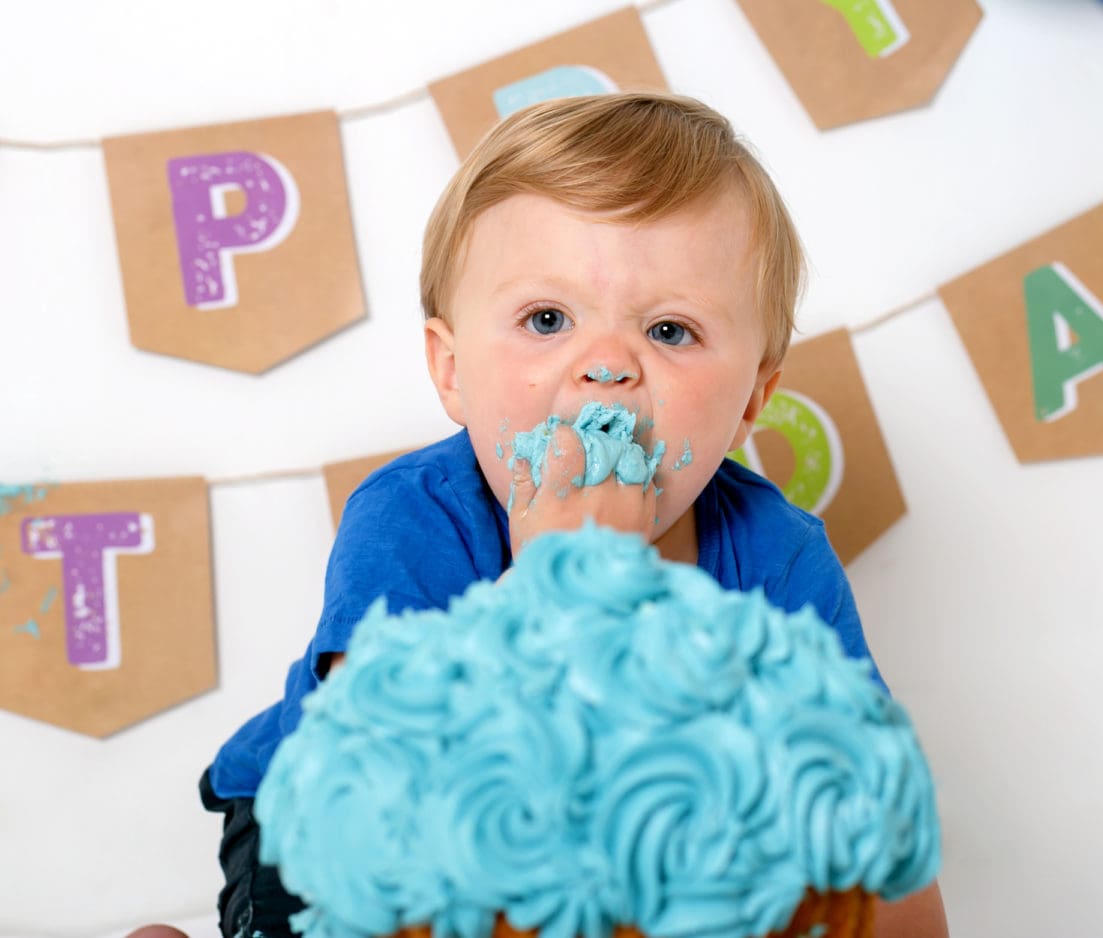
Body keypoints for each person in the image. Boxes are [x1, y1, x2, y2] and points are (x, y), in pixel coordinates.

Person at [199, 91, 948, 938]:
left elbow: (874, 828)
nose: (606, 367)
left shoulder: (777, 561)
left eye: (670, 330)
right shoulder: (413, 518)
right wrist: (565, 574)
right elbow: (380, 783)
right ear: (451, 371)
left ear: (752, 402)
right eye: (547, 319)